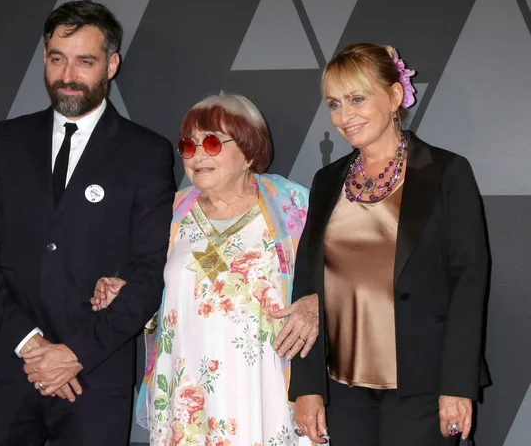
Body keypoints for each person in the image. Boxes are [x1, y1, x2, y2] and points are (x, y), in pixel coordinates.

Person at [0, 0, 175, 445]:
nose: (68, 75)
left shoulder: (146, 154)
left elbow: (151, 273)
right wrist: (31, 345)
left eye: (85, 61)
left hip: (95, 375)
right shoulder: (8, 140)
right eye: (57, 59)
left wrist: (75, 354)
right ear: (44, 58)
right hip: (6, 367)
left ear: (111, 65)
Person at [289, 43, 490, 445]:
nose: (344, 116)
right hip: (342, 385)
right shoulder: (327, 180)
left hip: (423, 384)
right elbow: (307, 285)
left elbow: (469, 282)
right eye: (334, 103)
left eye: (357, 99)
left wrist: (457, 384)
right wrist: (307, 385)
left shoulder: (446, 172)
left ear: (395, 96)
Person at [92, 93, 317, 445]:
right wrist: (127, 292)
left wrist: (317, 303)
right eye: (188, 145)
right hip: (189, 395)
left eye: (212, 142)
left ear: (249, 151)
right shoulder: (171, 214)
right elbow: (164, 296)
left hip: (263, 391)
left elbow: (330, 285)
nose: (197, 155)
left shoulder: (294, 207)